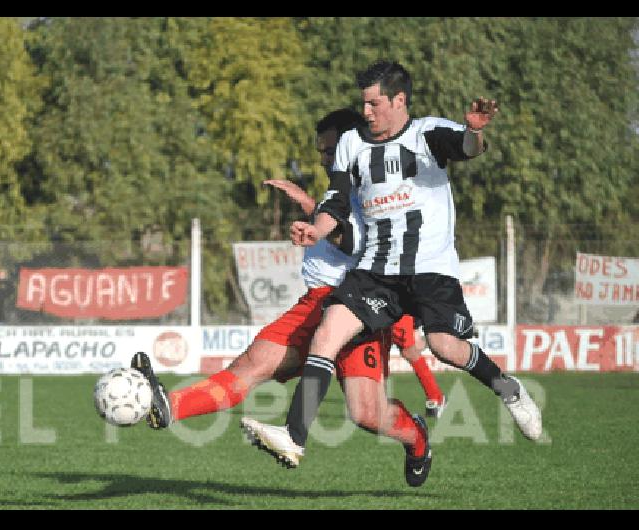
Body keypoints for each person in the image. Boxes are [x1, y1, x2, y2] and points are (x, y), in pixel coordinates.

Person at [241, 60, 543, 483]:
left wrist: (474, 130)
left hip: (430, 269)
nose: (366, 112)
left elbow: (467, 148)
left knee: (445, 347)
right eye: (363, 103)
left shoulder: (427, 134)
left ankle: (509, 389)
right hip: (377, 271)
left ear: (399, 101)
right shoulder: (351, 144)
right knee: (329, 330)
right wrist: (316, 230)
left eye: (374, 103)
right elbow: (337, 201)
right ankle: (294, 436)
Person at [130, 108, 445, 485]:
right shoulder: (337, 190)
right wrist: (315, 208)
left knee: (367, 414)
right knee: (249, 367)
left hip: (358, 306)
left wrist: (314, 213)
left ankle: (417, 437)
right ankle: (168, 407)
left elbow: (363, 244)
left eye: (331, 150)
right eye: (321, 152)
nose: (325, 159)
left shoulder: (377, 187)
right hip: (313, 304)